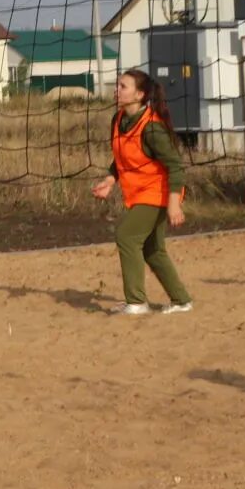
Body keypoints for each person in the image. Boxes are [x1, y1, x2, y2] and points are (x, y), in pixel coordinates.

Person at [92, 68, 193, 316]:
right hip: (138, 194)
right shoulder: (118, 120)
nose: (117, 89)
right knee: (152, 250)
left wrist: (174, 204)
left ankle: (136, 302)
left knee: (126, 236)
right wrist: (109, 180)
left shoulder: (152, 127)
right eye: (117, 85)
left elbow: (175, 166)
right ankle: (181, 300)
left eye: (123, 86)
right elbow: (123, 158)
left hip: (158, 193)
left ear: (139, 94)